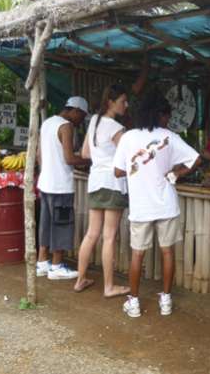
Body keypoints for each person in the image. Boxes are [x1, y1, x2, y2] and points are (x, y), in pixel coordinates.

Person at [114, 92, 201, 318]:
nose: (168, 121)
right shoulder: (169, 137)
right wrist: (177, 173)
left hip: (141, 206)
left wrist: (137, 169)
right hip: (166, 204)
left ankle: (133, 302)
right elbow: (195, 158)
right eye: (167, 116)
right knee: (167, 252)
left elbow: (117, 171)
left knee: (137, 255)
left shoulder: (128, 137)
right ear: (160, 114)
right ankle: (166, 300)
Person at [74, 84, 131, 297]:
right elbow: (128, 156)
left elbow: (86, 153)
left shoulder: (94, 122)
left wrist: (102, 156)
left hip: (96, 181)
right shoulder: (115, 128)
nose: (126, 105)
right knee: (109, 237)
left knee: (92, 233)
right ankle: (109, 286)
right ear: (111, 103)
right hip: (113, 183)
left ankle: (80, 279)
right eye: (122, 101)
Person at [36, 96, 90, 280]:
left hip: (45, 183)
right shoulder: (66, 127)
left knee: (46, 224)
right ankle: (57, 265)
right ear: (75, 111)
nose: (80, 121)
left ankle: (42, 262)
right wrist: (90, 160)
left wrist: (48, 171)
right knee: (62, 225)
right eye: (81, 117)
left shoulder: (47, 123)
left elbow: (38, 155)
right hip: (61, 187)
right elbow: (69, 158)